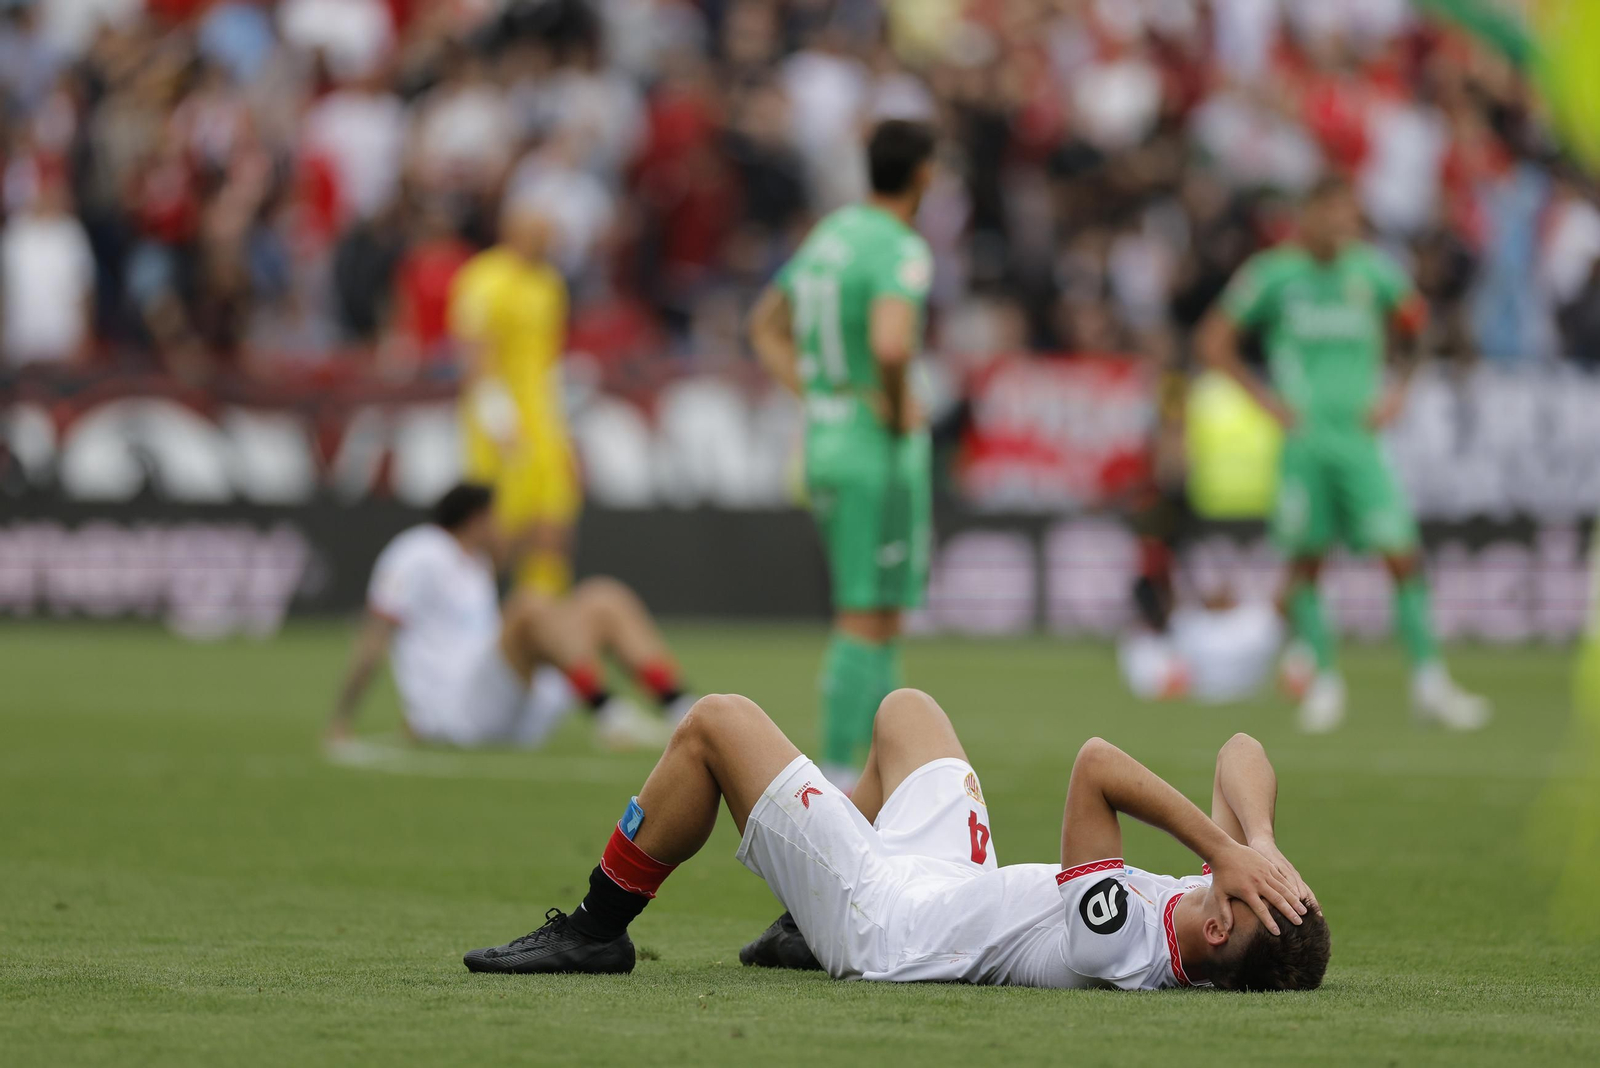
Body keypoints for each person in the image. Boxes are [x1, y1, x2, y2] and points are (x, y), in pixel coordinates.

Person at [462, 688, 1329, 993]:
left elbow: (1096, 766)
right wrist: (1255, 838)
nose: (1238, 874)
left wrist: (1228, 852)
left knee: (716, 724)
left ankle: (595, 929)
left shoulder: (1122, 941)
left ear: (1222, 925)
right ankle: (799, 920)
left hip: (888, 925)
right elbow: (1241, 750)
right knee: (907, 712)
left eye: (1248, 889)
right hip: (952, 886)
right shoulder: (1212, 914)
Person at [1198, 175, 1489, 733]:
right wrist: (1265, 402)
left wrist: (1400, 391)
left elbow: (1422, 328)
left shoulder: (1374, 273)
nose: (1342, 226)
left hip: (1359, 442)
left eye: (1349, 216)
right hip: (1306, 442)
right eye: (1332, 214)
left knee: (1401, 554)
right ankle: (1325, 683)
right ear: (1307, 215)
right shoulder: (1272, 275)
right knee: (1306, 562)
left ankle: (1430, 683)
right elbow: (1213, 342)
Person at [746, 119, 937, 789]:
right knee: (866, 611)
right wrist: (894, 402)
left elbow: (764, 326)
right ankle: (833, 770)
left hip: (826, 438)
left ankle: (888, 768)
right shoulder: (900, 246)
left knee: (879, 609)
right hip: (872, 449)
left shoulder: (828, 235)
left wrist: (819, 392)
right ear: (924, 174)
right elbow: (890, 343)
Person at [327, 483, 693, 750]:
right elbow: (377, 634)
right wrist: (343, 717)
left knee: (602, 598)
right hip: (456, 712)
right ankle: (608, 714)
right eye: (496, 518)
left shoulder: (475, 562)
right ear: (477, 520)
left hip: (502, 699)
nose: (502, 526)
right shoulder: (418, 552)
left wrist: (533, 537)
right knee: (528, 605)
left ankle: (679, 708)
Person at [450, 204, 579, 598]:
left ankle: (542, 607)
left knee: (554, 517)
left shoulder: (550, 285)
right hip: (498, 422)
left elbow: (549, 359)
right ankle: (474, 603)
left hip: (543, 418)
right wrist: (498, 417)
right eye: (542, 234)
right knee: (496, 525)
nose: (550, 243)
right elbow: (474, 355)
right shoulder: (485, 279)